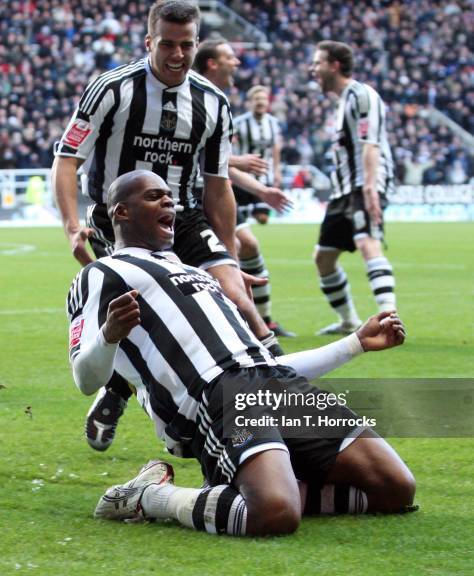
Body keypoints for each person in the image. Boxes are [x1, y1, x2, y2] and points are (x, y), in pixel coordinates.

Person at [68, 169, 416, 537]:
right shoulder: (99, 275)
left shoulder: (195, 273)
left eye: (170, 195)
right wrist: (108, 335)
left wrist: (354, 343)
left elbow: (261, 366)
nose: (169, 200)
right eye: (154, 196)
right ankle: (152, 496)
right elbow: (85, 378)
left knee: (394, 488)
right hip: (220, 398)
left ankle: (267, 486)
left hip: (274, 383)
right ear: (121, 213)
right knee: (274, 515)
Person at [53, 0, 282, 453]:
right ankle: (118, 390)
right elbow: (67, 158)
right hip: (118, 221)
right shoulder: (111, 89)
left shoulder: (213, 102)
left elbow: (218, 188)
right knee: (139, 317)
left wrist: (231, 259)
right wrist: (72, 223)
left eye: (187, 45)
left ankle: (286, 399)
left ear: (198, 43)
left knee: (237, 297)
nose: (177, 55)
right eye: (167, 45)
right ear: (149, 42)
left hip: (185, 214)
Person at [194, 39, 294, 337]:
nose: (237, 63)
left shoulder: (218, 101)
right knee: (230, 252)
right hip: (190, 197)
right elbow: (197, 154)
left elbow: (220, 165)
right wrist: (240, 161)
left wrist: (263, 191)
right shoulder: (193, 97)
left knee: (248, 245)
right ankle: (233, 325)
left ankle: (262, 319)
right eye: (230, 57)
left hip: (214, 190)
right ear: (212, 63)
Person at [310, 41, 397, 335]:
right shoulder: (342, 101)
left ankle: (389, 320)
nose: (313, 69)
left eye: (317, 63)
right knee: (323, 258)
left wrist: (371, 189)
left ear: (334, 65)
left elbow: (370, 144)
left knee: (366, 241)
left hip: (365, 183)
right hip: (343, 190)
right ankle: (348, 320)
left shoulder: (362, 95)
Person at [231, 85, 295, 336]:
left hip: (258, 182)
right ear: (249, 102)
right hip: (235, 181)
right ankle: (251, 319)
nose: (260, 102)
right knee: (242, 246)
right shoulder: (238, 123)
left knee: (253, 234)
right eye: (255, 97)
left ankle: (262, 319)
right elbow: (224, 153)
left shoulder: (272, 123)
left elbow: (276, 149)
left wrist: (275, 174)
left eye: (263, 98)